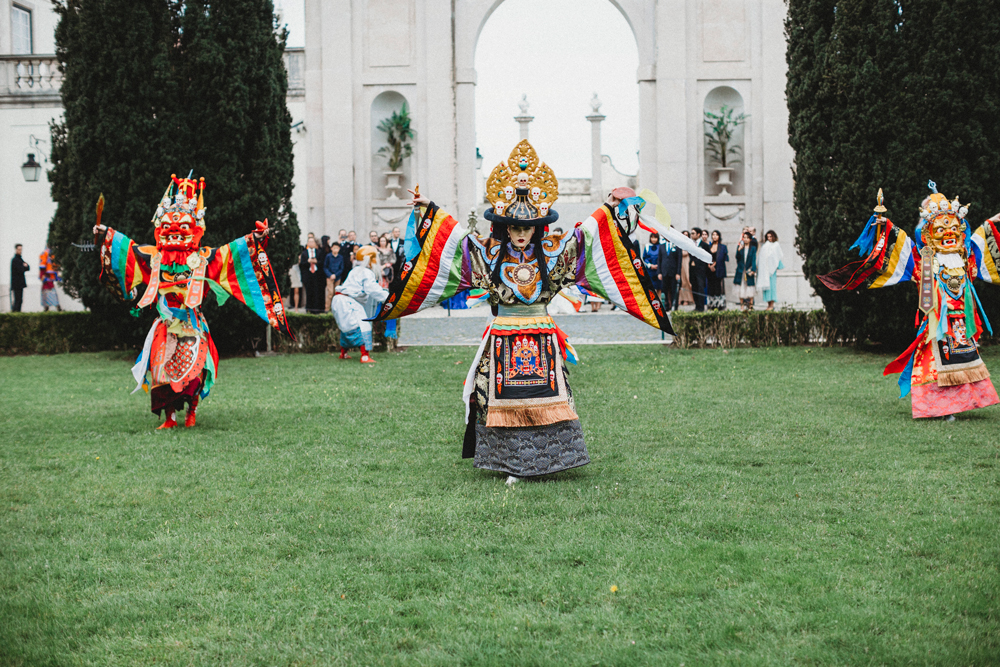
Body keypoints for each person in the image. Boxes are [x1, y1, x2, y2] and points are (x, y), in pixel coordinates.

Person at [374, 141, 671, 485]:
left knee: (547, 394)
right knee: (498, 397)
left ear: (536, 228)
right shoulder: (490, 253)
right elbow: (457, 239)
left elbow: (584, 237)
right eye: (514, 228)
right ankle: (510, 463)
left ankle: (550, 459)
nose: (520, 233)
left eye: (526, 228)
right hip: (502, 335)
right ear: (505, 228)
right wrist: (431, 209)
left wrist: (607, 207)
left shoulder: (553, 252)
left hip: (541, 334)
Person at [93, 174, 290, 429]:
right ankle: (171, 417)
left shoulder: (203, 257)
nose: (174, 232)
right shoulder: (153, 256)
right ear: (159, 229)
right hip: (165, 322)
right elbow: (126, 250)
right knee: (161, 368)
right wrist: (106, 234)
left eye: (183, 227)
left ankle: (192, 413)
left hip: (192, 321)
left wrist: (256, 238)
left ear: (195, 229)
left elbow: (231, 255)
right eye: (168, 227)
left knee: (196, 370)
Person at [819, 183, 1000, 420]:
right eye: (942, 229)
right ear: (928, 231)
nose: (949, 234)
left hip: (961, 321)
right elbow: (900, 244)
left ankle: (965, 402)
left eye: (954, 229)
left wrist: (993, 223)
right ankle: (940, 408)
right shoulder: (924, 259)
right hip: (937, 323)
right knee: (935, 360)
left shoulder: (963, 257)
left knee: (965, 358)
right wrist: (883, 226)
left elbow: (980, 242)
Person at [331, 246, 388, 363]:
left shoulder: (355, 270)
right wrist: (388, 298)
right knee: (363, 326)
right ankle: (365, 356)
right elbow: (373, 289)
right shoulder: (366, 272)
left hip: (340, 300)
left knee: (347, 327)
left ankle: (344, 353)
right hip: (348, 301)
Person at [758, 230, 784, 310]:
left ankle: (772, 305)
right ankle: (768, 304)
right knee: (766, 288)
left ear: (773, 237)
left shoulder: (776, 245)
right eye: (768, 237)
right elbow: (761, 258)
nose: (769, 238)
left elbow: (778, 256)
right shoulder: (765, 246)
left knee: (772, 287)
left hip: (772, 271)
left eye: (770, 236)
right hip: (765, 270)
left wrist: (775, 266)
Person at [299, 237, 325, 313]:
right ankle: (309, 309)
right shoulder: (304, 253)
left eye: (312, 242)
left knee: (317, 292)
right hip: (308, 274)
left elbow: (322, 262)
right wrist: (308, 261)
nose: (311, 243)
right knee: (309, 292)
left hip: (317, 275)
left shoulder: (319, 252)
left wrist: (316, 261)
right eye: (309, 242)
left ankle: (317, 309)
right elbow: (302, 264)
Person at [733, 230, 757, 310]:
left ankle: (750, 306)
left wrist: (753, 269)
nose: (745, 239)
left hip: (748, 270)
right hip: (741, 271)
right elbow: (737, 258)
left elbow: (754, 259)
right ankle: (742, 306)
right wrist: (739, 249)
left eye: (747, 238)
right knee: (741, 288)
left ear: (750, 239)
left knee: (750, 287)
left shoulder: (753, 248)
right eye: (744, 237)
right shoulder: (740, 247)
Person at [706, 230, 728, 310]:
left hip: (718, 269)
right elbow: (706, 256)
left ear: (719, 236)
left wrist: (714, 264)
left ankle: (719, 304)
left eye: (716, 235)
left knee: (718, 287)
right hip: (710, 270)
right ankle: (711, 304)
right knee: (710, 287)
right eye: (713, 235)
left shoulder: (722, 247)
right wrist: (709, 265)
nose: (714, 236)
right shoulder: (709, 246)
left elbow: (722, 258)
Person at [688, 226, 709, 311]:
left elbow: (707, 257)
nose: (691, 235)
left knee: (700, 288)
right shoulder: (690, 244)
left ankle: (701, 307)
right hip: (692, 270)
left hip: (701, 270)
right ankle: (697, 306)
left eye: (693, 233)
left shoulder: (704, 245)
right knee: (694, 287)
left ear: (698, 234)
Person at [657, 237, 681, 311]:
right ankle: (666, 306)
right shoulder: (662, 246)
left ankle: (675, 306)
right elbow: (659, 260)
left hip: (673, 272)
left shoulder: (677, 246)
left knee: (674, 289)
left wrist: (678, 273)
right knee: (664, 289)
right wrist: (659, 272)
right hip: (664, 272)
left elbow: (679, 260)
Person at [38, 247, 62, 311]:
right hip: (47, 279)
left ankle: (52, 307)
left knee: (49, 293)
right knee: (49, 293)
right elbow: (43, 267)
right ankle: (55, 307)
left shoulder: (48, 254)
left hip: (48, 279)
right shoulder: (46, 254)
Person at [323, 242, 345, 311]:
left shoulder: (341, 257)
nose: (335, 249)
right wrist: (330, 275)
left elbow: (341, 268)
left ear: (339, 249)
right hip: (329, 277)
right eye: (334, 248)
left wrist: (336, 275)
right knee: (330, 293)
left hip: (337, 277)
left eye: (337, 248)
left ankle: (335, 309)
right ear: (331, 248)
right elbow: (325, 267)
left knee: (336, 293)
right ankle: (327, 309)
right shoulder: (328, 256)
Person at [10, 244, 29, 312]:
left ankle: (17, 313)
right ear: (16, 250)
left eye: (21, 249)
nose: (20, 251)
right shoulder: (15, 260)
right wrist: (24, 266)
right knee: (17, 301)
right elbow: (20, 269)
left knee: (20, 300)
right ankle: (15, 314)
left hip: (20, 284)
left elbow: (27, 267)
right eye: (19, 249)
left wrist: (24, 266)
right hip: (16, 284)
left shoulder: (20, 259)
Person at [642, 233, 661, 299]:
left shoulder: (660, 246)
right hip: (650, 270)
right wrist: (650, 265)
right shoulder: (647, 246)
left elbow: (661, 257)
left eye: (655, 238)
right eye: (652, 237)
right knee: (651, 286)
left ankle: (659, 300)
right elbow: (645, 257)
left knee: (659, 286)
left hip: (658, 270)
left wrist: (658, 265)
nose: (653, 239)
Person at [678, 231, 694, 306]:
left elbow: (687, 253)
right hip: (680, 262)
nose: (685, 236)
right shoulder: (678, 243)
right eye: (683, 235)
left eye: (686, 235)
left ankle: (688, 299)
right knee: (682, 281)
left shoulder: (690, 243)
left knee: (688, 280)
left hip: (687, 261)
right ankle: (681, 298)